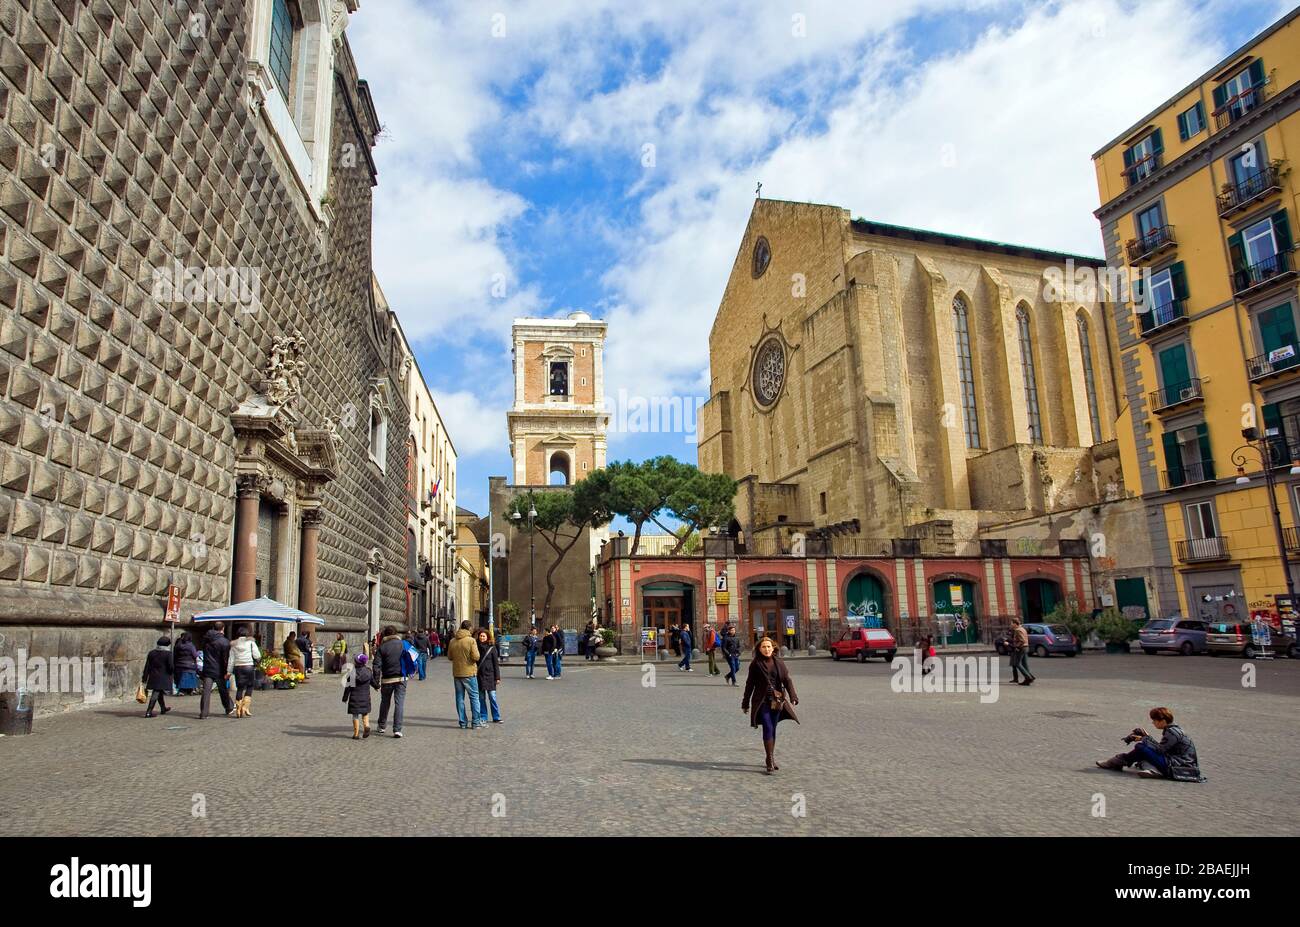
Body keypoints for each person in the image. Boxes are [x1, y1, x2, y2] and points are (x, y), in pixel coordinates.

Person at [1095, 707, 1206, 781]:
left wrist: (1145, 738)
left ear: (1162, 721)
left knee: (1141, 748)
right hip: (1176, 762)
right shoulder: (1174, 730)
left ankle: (1117, 762)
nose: (1153, 723)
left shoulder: (1172, 732)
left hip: (1178, 766)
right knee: (1143, 750)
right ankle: (1151, 769)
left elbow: (1160, 750)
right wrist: (1144, 738)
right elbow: (1162, 748)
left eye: (1154, 720)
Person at [741, 636, 799, 774]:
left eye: (768, 647)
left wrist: (793, 696)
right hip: (762, 701)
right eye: (763, 647)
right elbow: (750, 685)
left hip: (777, 701)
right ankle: (769, 759)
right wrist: (745, 703)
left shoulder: (779, 662)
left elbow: (787, 680)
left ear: (773, 648)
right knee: (767, 727)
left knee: (772, 728)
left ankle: (770, 756)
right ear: (759, 649)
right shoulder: (755, 664)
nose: (766, 649)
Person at [449, 620, 482, 729]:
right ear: (470, 628)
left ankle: (462, 722)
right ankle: (476, 722)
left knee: (459, 698)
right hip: (469, 672)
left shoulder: (453, 641)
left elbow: (450, 657)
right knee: (474, 697)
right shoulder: (471, 640)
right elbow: (476, 657)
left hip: (457, 673)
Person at [374, 626, 407, 738]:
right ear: (396, 633)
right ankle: (397, 729)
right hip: (401, 678)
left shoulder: (382, 647)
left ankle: (382, 726)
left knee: (385, 702)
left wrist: (376, 682)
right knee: (399, 703)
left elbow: (376, 666)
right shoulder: (403, 644)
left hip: (387, 679)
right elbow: (413, 657)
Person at [198, 621, 234, 719]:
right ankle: (229, 707)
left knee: (206, 691)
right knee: (223, 690)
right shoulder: (224, 641)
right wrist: (227, 670)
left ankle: (204, 713)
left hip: (208, 667)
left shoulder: (206, 639)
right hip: (219, 669)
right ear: (222, 629)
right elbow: (225, 658)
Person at [226, 624, 262, 718]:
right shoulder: (250, 643)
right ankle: (245, 707)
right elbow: (257, 655)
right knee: (250, 686)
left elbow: (231, 660)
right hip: (248, 666)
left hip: (238, 668)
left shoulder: (234, 644)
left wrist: (229, 672)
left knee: (240, 688)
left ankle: (238, 709)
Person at [344, 652, 381, 739]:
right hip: (365, 698)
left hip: (354, 699)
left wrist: (345, 698)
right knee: (365, 713)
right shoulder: (368, 672)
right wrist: (377, 687)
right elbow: (373, 682)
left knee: (355, 715)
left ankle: (356, 733)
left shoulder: (352, 673)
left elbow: (348, 687)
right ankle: (366, 726)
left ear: (356, 662)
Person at [141, 636, 174, 718]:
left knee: (159, 692)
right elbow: (171, 666)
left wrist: (144, 678)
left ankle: (163, 708)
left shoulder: (152, 653)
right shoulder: (168, 654)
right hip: (163, 676)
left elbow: (147, 666)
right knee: (156, 693)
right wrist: (172, 673)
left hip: (153, 676)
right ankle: (149, 711)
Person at [475, 629, 503, 724]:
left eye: (484, 636)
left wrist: (497, 677)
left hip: (490, 676)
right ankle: (484, 716)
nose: (482, 637)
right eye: (481, 636)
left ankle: (496, 716)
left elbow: (496, 664)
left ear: (487, 637)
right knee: (481, 698)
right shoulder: (475, 647)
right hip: (479, 676)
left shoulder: (492, 648)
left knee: (492, 697)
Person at [1009, 619, 1035, 686]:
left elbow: (1022, 641)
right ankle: (1028, 678)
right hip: (1026, 647)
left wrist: (1016, 647)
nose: (1011, 625)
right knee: (1025, 664)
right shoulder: (1023, 629)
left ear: (1015, 623)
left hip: (1021, 648)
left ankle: (1028, 678)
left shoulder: (1018, 630)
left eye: (1011, 623)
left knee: (1017, 663)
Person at [173, 631, 199, 695]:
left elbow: (175, 655)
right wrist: (198, 653)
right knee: (191, 677)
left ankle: (181, 691)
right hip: (189, 665)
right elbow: (195, 655)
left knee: (181, 678)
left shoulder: (178, 645)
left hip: (179, 664)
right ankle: (192, 689)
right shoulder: (190, 645)